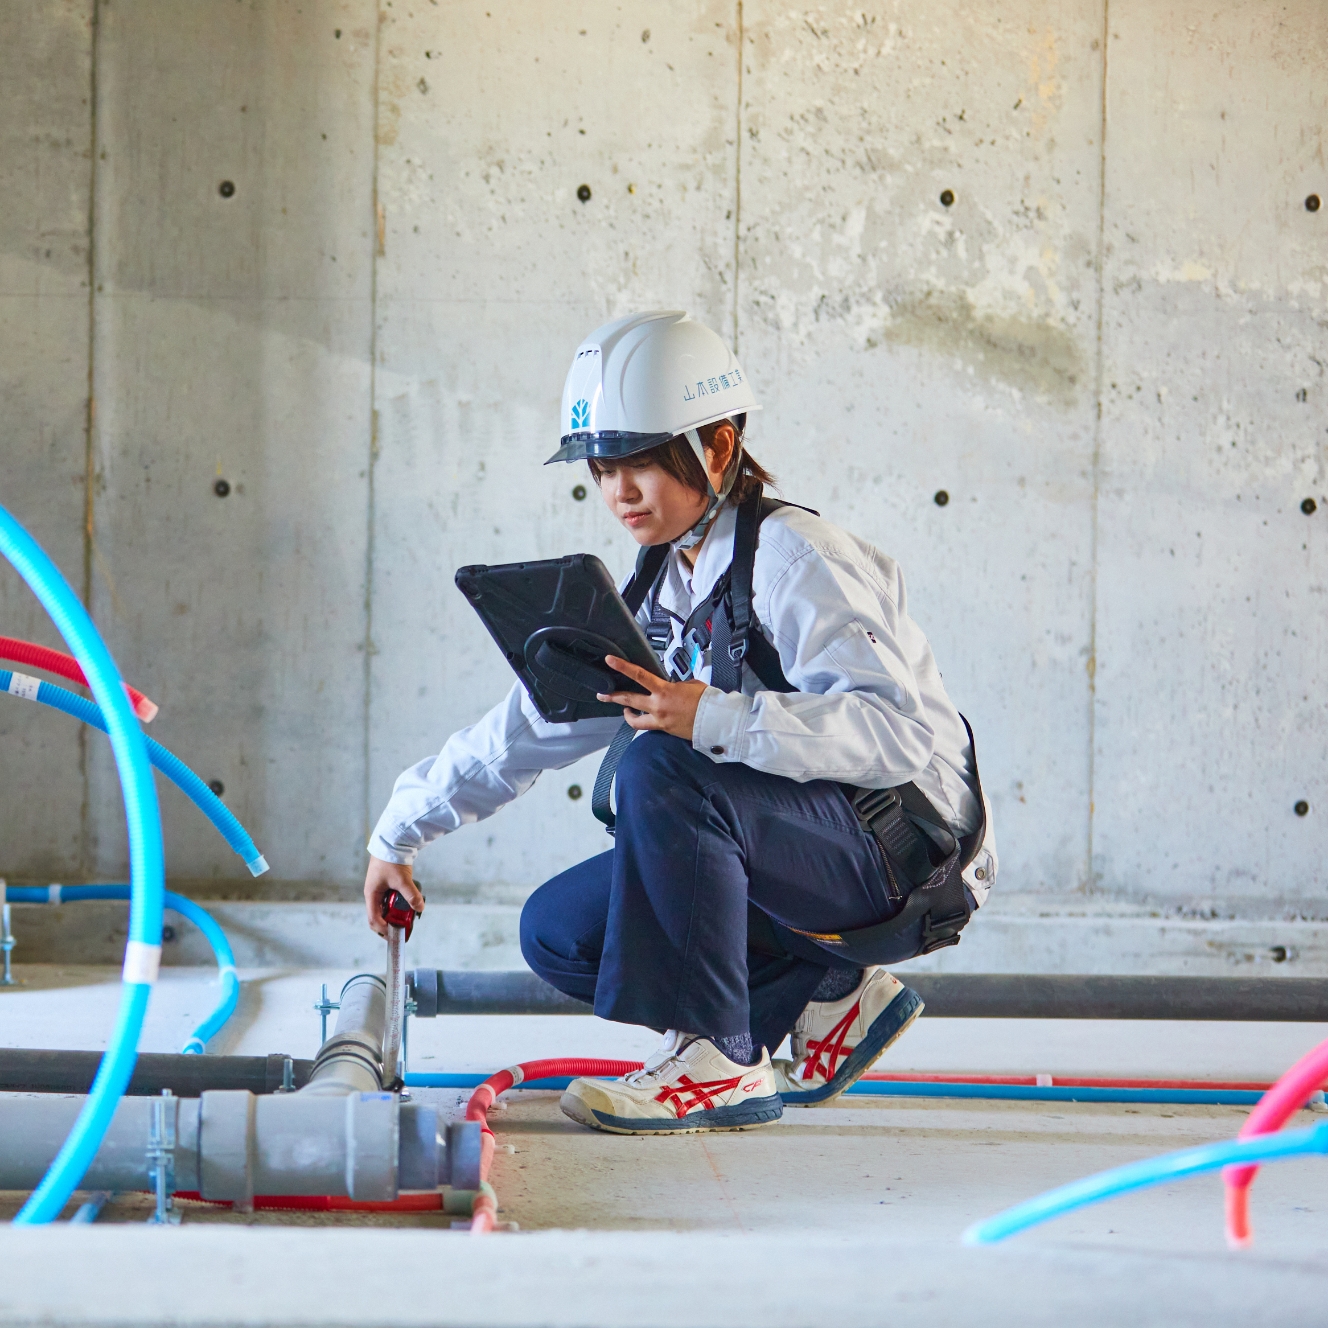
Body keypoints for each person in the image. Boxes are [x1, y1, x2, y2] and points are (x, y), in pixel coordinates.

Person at [364, 310, 996, 1136]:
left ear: (719, 449)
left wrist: (716, 717)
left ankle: (721, 1061)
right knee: (560, 934)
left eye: (641, 466)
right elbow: (531, 727)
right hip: (820, 851)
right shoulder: (662, 587)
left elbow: (896, 734)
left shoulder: (794, 559)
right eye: (600, 469)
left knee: (663, 766)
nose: (618, 493)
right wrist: (397, 834)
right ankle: (828, 989)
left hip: (911, 856)